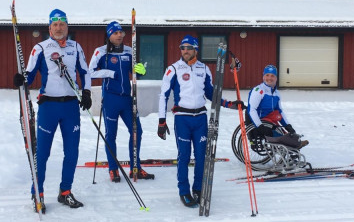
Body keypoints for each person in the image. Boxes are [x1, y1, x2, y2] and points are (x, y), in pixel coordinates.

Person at [13, 9, 91, 212]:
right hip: (48, 105)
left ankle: (65, 191)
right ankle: (37, 192)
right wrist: (21, 79)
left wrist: (87, 92)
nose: (59, 28)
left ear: (67, 27)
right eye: (55, 24)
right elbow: (28, 75)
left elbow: (85, 71)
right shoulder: (40, 47)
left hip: (71, 106)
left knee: (72, 152)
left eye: (62, 24)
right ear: (49, 27)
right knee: (42, 153)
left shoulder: (76, 47)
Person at [157, 35, 243, 207]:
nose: (185, 50)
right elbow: (163, 96)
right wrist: (161, 121)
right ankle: (184, 191)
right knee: (184, 156)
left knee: (202, 157)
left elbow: (211, 94)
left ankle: (198, 188)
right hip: (182, 118)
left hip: (200, 119)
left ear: (195, 49)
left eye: (189, 47)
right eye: (182, 47)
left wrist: (230, 104)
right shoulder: (173, 69)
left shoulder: (203, 69)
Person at [89, 21, 154, 182]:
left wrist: (140, 71)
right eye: (116, 33)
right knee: (111, 134)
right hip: (111, 98)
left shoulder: (129, 51)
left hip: (127, 99)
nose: (119, 35)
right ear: (109, 35)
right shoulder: (100, 52)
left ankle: (135, 168)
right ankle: (113, 169)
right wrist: (109, 73)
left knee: (136, 131)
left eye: (121, 33)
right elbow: (90, 72)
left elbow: (135, 70)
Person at [246, 64, 309, 149]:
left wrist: (287, 125)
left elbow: (279, 111)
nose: (269, 78)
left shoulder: (276, 93)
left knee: (285, 132)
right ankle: (294, 145)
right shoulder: (258, 90)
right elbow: (251, 109)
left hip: (270, 120)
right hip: (260, 121)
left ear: (276, 78)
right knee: (279, 135)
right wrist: (259, 125)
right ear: (263, 77)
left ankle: (294, 145)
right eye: (267, 75)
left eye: (272, 76)